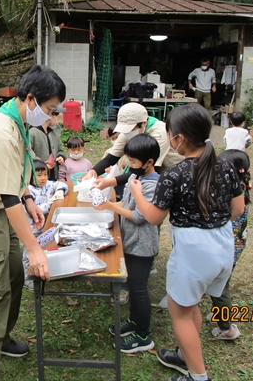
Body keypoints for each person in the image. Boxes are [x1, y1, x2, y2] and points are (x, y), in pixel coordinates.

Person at [0, 64, 65, 379]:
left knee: (14, 278)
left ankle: (0, 339)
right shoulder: (2, 131)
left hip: (4, 212)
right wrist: (35, 249)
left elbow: (15, 179)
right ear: (30, 99)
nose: (50, 117)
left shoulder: (17, 121)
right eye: (49, 109)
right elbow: (5, 198)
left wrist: (29, 199)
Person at [131, 104, 244, 381]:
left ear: (179, 138)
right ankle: (185, 354)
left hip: (193, 252)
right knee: (190, 304)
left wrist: (138, 193)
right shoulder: (225, 166)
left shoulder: (175, 174)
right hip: (223, 244)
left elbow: (154, 217)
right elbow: (238, 209)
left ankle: (197, 376)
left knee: (178, 312)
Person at [93, 134, 160, 354]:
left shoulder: (152, 185)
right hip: (131, 242)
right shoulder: (136, 178)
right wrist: (111, 203)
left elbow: (139, 216)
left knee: (139, 289)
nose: (130, 166)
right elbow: (127, 203)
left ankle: (143, 335)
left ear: (149, 162)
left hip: (142, 246)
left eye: (133, 162)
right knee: (132, 284)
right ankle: (133, 320)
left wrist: (112, 207)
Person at [83, 103, 183, 189]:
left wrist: (109, 182)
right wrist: (93, 172)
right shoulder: (127, 132)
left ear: (144, 123)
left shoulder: (159, 133)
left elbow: (144, 168)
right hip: (142, 173)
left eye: (130, 128)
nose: (126, 133)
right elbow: (111, 158)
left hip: (170, 173)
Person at [208, 149, 252, 341]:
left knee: (220, 285)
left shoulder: (230, 192)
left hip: (227, 245)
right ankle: (220, 313)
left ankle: (227, 327)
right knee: (220, 282)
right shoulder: (241, 186)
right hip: (236, 244)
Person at [23, 159, 68, 288]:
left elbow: (61, 184)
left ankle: (46, 270)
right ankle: (28, 278)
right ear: (30, 176)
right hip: (32, 229)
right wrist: (48, 205)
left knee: (47, 249)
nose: (43, 178)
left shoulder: (48, 185)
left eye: (45, 174)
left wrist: (60, 190)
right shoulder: (27, 191)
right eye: (39, 175)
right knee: (28, 254)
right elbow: (31, 209)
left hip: (47, 227)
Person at [29, 107, 66, 181]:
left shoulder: (54, 133)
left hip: (54, 176)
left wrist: (60, 156)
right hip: (38, 178)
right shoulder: (32, 133)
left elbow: (60, 149)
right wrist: (41, 163)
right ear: (47, 115)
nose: (56, 118)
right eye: (55, 115)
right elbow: (27, 152)